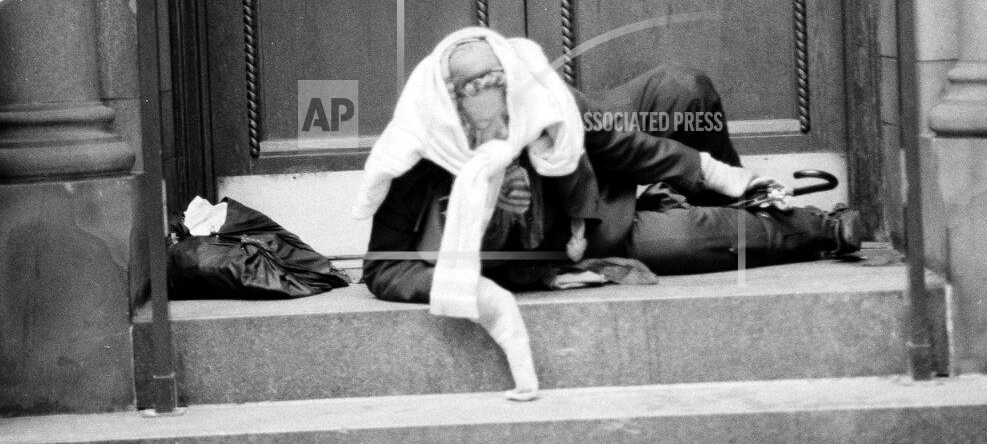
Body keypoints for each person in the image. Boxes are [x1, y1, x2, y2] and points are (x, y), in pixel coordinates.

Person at [355, 27, 864, 401]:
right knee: (690, 239)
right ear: (452, 119)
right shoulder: (415, 153)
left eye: (509, 119)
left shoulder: (542, 96)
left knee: (683, 89)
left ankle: (743, 202)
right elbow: (382, 266)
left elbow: (627, 147)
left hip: (585, 163)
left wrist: (725, 177)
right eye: (485, 130)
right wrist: (467, 282)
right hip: (578, 238)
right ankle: (819, 227)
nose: (503, 135)